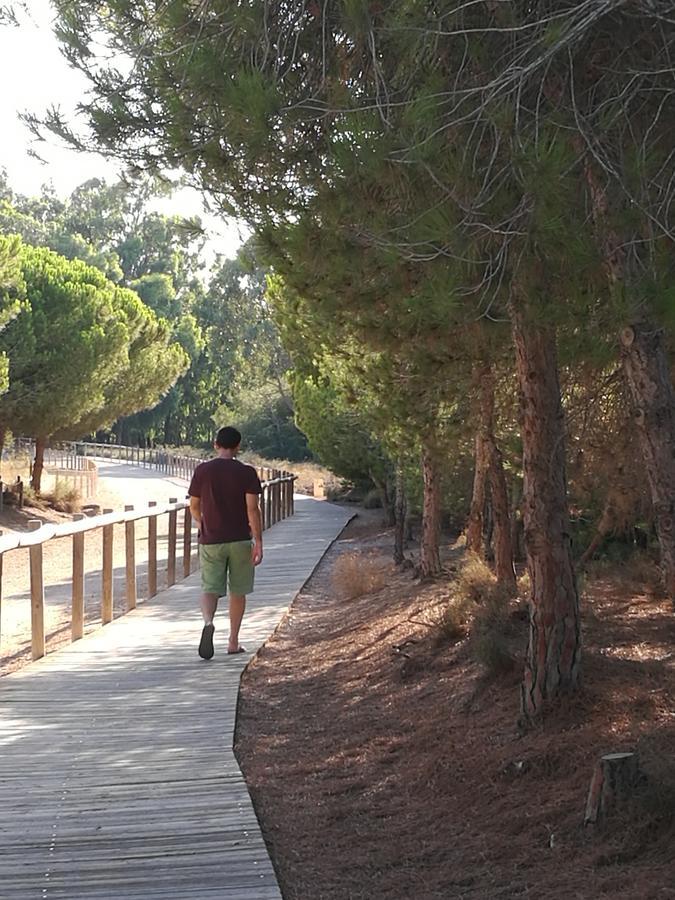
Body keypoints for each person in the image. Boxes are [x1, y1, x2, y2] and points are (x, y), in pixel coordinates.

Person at [188, 426, 263, 659]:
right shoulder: (247, 473)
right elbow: (253, 509)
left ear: (215, 444)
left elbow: (193, 505)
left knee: (210, 587)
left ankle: (209, 622)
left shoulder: (203, 471)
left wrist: (201, 524)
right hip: (240, 539)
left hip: (211, 540)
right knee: (238, 591)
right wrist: (258, 540)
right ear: (238, 447)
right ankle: (233, 641)